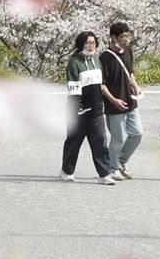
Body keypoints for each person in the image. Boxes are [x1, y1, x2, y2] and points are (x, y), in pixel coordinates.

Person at [61, 31, 116, 185]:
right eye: (88, 43)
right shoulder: (74, 62)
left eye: (93, 43)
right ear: (81, 45)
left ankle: (104, 174)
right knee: (74, 141)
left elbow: (101, 85)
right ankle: (67, 170)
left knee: (100, 141)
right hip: (78, 110)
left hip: (97, 110)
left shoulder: (97, 61)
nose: (91, 46)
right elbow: (73, 87)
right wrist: (78, 107)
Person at [99, 22, 143, 181]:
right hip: (114, 104)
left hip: (131, 101)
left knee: (137, 133)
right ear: (113, 38)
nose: (126, 39)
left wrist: (136, 86)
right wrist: (114, 100)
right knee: (118, 138)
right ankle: (113, 168)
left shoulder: (129, 51)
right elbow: (102, 85)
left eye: (127, 35)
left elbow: (130, 72)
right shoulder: (104, 57)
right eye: (122, 36)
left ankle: (121, 162)